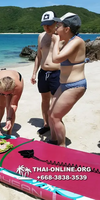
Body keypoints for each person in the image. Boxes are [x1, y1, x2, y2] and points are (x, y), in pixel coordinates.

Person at [49, 13, 86, 147]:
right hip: (64, 85)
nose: (56, 29)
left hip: (74, 86)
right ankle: (53, 140)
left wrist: (56, 42)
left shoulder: (77, 41)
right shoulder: (70, 42)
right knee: (50, 113)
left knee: (55, 116)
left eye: (58, 26)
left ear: (67, 29)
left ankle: (61, 146)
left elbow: (56, 59)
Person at [31, 11, 61, 135]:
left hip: (57, 73)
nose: (46, 27)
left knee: (56, 101)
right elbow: (38, 56)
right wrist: (34, 73)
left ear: (56, 23)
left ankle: (57, 124)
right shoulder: (41, 36)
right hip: (43, 73)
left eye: (49, 24)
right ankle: (46, 124)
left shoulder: (61, 36)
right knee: (44, 99)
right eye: (44, 25)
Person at [0, 70, 24, 135]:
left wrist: (9, 119)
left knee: (9, 108)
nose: (5, 96)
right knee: (1, 106)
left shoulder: (18, 86)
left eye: (8, 94)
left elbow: (13, 105)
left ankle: (9, 132)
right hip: (1, 83)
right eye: (3, 94)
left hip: (16, 77)